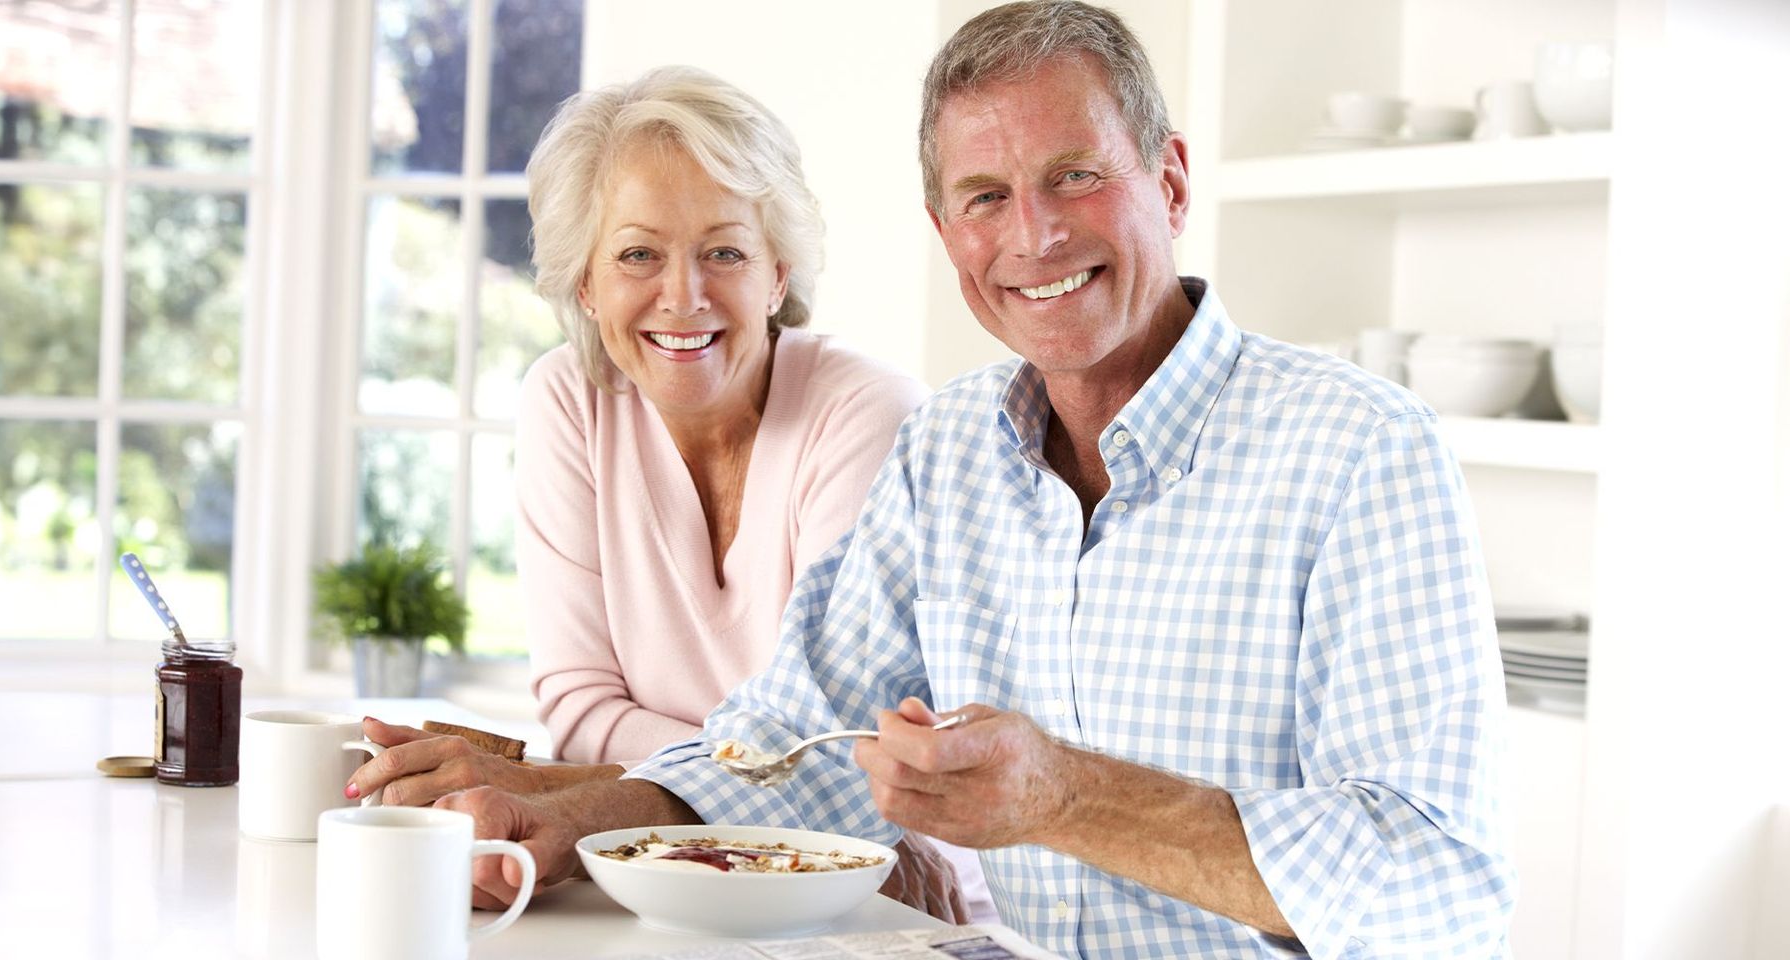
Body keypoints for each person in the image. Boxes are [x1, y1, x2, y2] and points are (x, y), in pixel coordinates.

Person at [437, 3, 1515, 956]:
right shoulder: (948, 449)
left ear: (1171, 182)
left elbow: (1439, 890)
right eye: (986, 196)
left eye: (1076, 176)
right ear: (948, 235)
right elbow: (795, 742)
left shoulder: (1361, 451)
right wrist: (570, 824)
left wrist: (1069, 796)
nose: (1033, 236)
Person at [344, 66, 993, 922]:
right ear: (586, 283)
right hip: (663, 877)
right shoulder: (569, 402)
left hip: (885, 900)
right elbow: (581, 708)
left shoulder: (869, 414)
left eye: (724, 252)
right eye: (638, 255)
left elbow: (838, 751)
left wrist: (563, 790)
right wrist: (663, 795)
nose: (683, 297)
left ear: (776, 275)